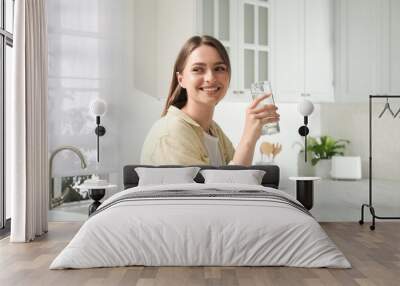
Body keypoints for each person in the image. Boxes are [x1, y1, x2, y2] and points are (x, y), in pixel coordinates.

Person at [140, 35, 279, 166]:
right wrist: (248, 138)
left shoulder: (213, 130)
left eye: (219, 68)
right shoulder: (172, 133)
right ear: (181, 79)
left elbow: (238, 182)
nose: (210, 78)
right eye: (198, 69)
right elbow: (227, 190)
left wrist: (253, 135)